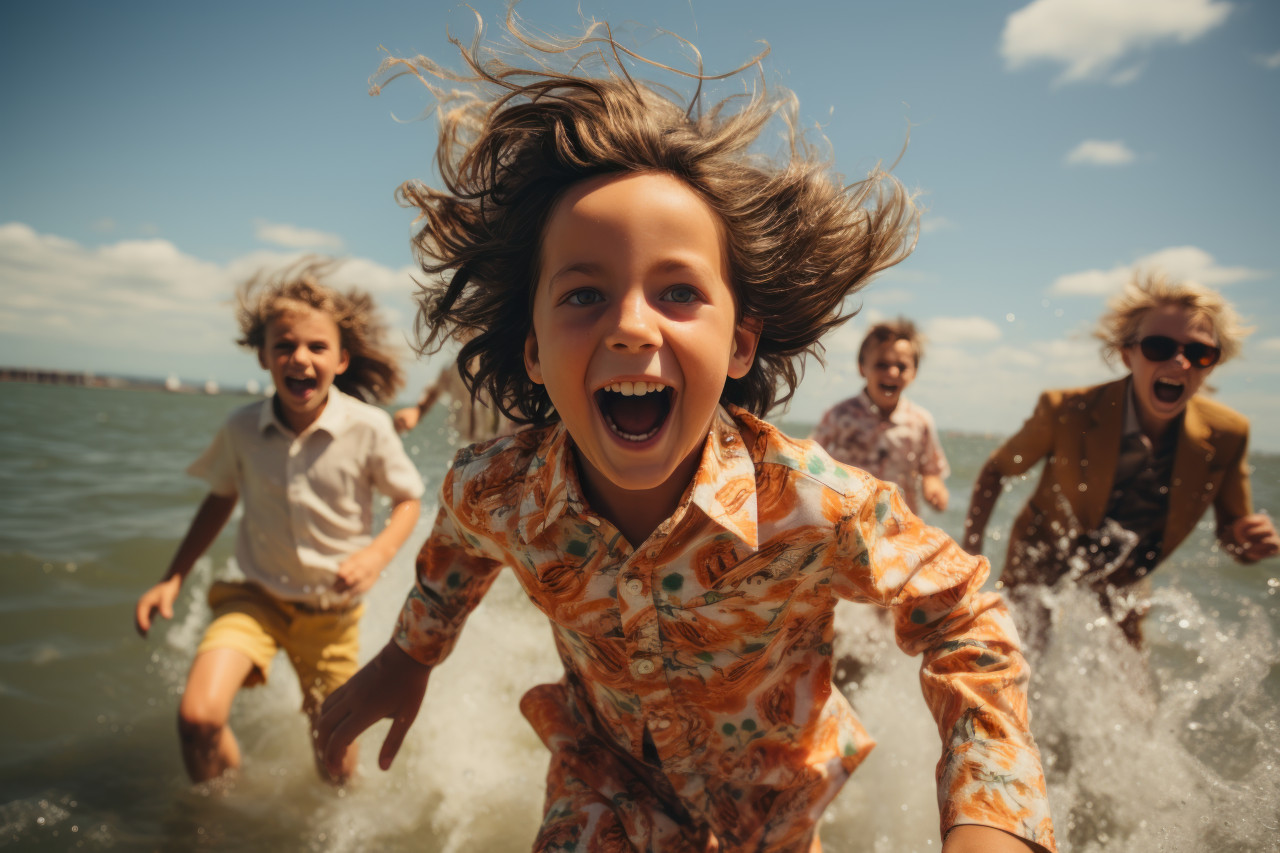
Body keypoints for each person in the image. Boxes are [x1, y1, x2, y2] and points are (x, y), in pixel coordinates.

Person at [317, 21, 1055, 853]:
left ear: (740, 343)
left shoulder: (811, 501)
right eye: (583, 295)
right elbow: (458, 541)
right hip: (602, 784)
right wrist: (410, 655)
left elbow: (967, 614)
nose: (632, 326)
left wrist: (990, 815)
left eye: (677, 292)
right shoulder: (501, 487)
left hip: (775, 805)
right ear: (532, 348)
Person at [134, 258, 424, 784]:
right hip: (256, 600)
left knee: (335, 764)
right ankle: (222, 824)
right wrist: (172, 576)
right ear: (264, 356)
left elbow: (408, 501)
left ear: (341, 360)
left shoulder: (368, 428)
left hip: (332, 616)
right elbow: (220, 499)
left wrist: (376, 555)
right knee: (197, 719)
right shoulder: (242, 428)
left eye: (317, 347)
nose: (300, 358)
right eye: (284, 345)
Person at [963, 271, 1279, 647]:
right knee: (1018, 657)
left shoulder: (1229, 434)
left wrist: (1246, 543)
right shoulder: (1066, 410)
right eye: (1159, 347)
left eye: (1199, 352)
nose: (1180, 363)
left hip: (1127, 571)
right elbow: (998, 469)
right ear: (1127, 353)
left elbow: (1233, 532)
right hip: (1042, 553)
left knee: (1132, 690)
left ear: (1213, 363)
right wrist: (970, 553)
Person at [811, 319, 950, 515]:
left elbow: (931, 472)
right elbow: (810, 458)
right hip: (846, 520)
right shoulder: (840, 415)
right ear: (862, 367)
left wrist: (934, 488)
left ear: (914, 373)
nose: (892, 372)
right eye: (881, 365)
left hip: (899, 525)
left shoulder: (919, 421)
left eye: (901, 366)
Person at [393, 355, 514, 443]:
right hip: (468, 444)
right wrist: (418, 411)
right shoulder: (454, 368)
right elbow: (434, 390)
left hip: (503, 441)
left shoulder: (506, 362)